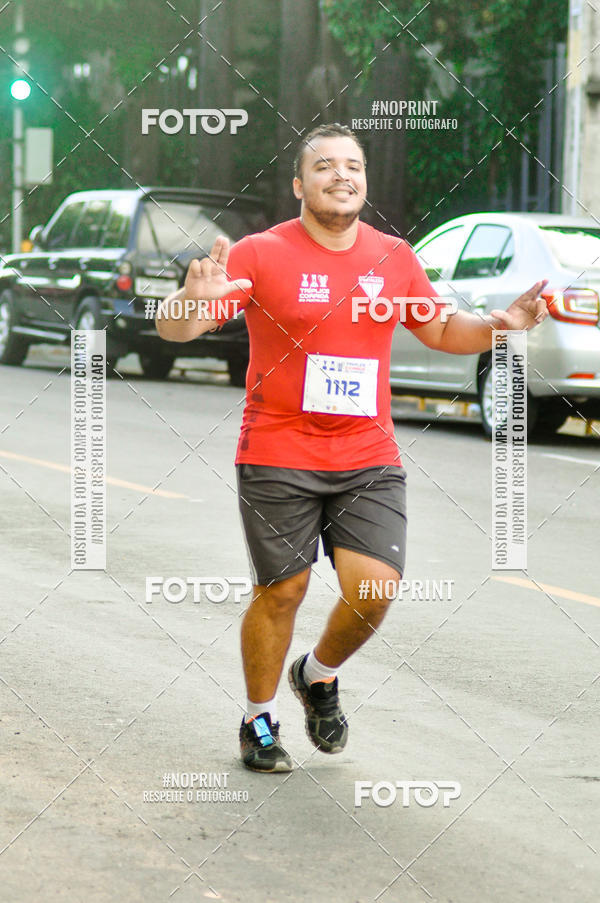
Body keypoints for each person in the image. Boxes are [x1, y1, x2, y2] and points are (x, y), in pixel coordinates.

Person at [156, 123, 548, 773]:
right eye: (325, 166)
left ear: (365, 180)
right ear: (298, 185)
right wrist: (185, 303)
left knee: (376, 587)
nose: (342, 175)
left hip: (366, 451)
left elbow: (441, 326)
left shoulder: (393, 256)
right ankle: (258, 718)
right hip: (278, 446)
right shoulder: (259, 252)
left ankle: (316, 674)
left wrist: (499, 326)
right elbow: (183, 326)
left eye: (354, 166)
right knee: (283, 589)